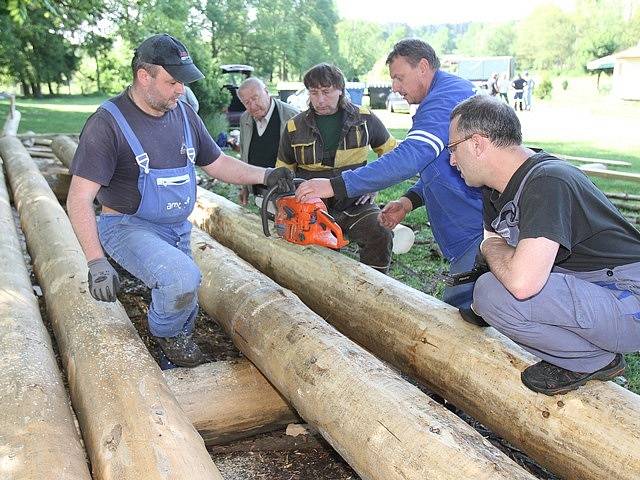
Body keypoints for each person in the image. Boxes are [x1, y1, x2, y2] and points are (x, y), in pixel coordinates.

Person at [66, 33, 293, 368]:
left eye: (182, 83)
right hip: (126, 225)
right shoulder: (108, 123)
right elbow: (78, 198)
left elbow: (217, 163)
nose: (180, 90)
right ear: (144, 76)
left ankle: (168, 319)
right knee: (181, 279)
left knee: (187, 296)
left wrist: (265, 175)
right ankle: (166, 338)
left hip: (176, 228)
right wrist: (95, 261)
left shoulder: (184, 113)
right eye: (173, 82)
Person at [449, 95, 640, 395]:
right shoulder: (496, 190)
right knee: (489, 295)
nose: (452, 160)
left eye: (453, 148)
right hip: (596, 291)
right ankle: (587, 352)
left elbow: (520, 280)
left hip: (629, 298)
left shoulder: (548, 181)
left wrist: (490, 251)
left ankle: (592, 360)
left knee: (491, 293)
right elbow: (497, 245)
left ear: (477, 143)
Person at [294, 40, 483, 309]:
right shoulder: (451, 92)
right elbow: (442, 164)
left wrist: (336, 185)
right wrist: (408, 201)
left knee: (465, 313)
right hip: (473, 227)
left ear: (423, 67)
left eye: (399, 77)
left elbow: (411, 156)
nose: (394, 86)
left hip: (478, 231)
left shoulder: (444, 101)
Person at [276, 63, 395, 273]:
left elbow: (392, 153)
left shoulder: (364, 119)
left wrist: (374, 184)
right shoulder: (294, 126)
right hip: (312, 208)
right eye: (314, 93)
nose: (320, 100)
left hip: (354, 202)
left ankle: (375, 288)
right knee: (318, 262)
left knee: (380, 232)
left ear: (340, 90)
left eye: (326, 92)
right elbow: (282, 172)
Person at [236, 77, 298, 206]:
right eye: (246, 102)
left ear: (266, 91)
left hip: (286, 192)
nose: (252, 106)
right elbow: (244, 152)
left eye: (255, 98)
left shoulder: (292, 116)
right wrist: (245, 187)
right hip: (259, 191)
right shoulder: (245, 119)